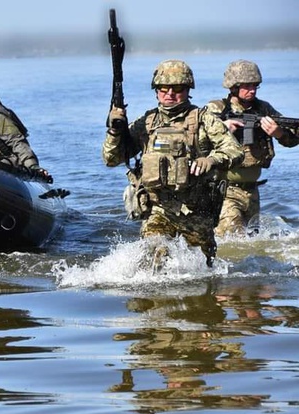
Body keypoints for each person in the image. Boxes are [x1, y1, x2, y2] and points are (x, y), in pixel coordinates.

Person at [103, 59, 244, 267]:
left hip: (196, 211)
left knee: (203, 270)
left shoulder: (204, 119)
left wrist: (212, 159)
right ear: (156, 90)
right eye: (163, 88)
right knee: (153, 256)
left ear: (188, 89)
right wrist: (115, 131)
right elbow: (111, 159)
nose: (170, 93)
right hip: (158, 209)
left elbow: (235, 150)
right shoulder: (147, 123)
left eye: (177, 88)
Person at [206, 60, 299, 237]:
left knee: (252, 241)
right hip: (225, 190)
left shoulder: (263, 108)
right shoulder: (216, 108)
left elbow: (292, 139)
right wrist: (221, 129)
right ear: (233, 86)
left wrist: (278, 133)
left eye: (255, 85)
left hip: (252, 192)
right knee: (233, 239)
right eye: (247, 86)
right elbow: (196, 140)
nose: (252, 90)